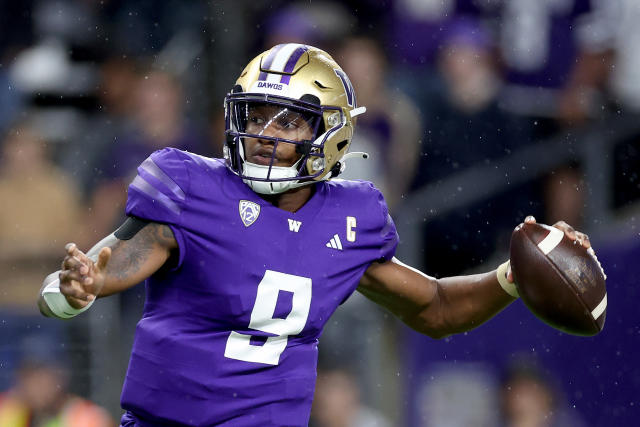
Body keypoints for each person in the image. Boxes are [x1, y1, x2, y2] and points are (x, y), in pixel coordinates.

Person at [37, 44, 593, 426]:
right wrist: (73, 291)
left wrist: (511, 278)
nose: (262, 133)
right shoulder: (189, 186)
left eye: (286, 121)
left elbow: (436, 308)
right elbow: (107, 266)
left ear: (331, 134)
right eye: (255, 115)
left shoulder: (352, 218)